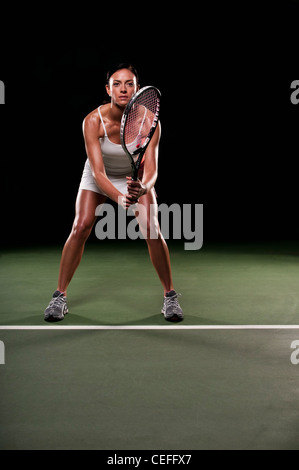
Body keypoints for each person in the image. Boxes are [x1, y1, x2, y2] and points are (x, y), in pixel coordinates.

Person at [44, 63, 183, 323]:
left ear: (138, 89)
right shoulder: (92, 121)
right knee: (81, 225)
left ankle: (170, 297)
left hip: (135, 178)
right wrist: (119, 198)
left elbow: (152, 169)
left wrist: (143, 187)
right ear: (108, 89)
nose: (123, 89)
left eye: (129, 83)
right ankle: (59, 296)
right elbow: (97, 173)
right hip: (100, 176)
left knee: (152, 228)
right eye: (117, 84)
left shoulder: (149, 121)